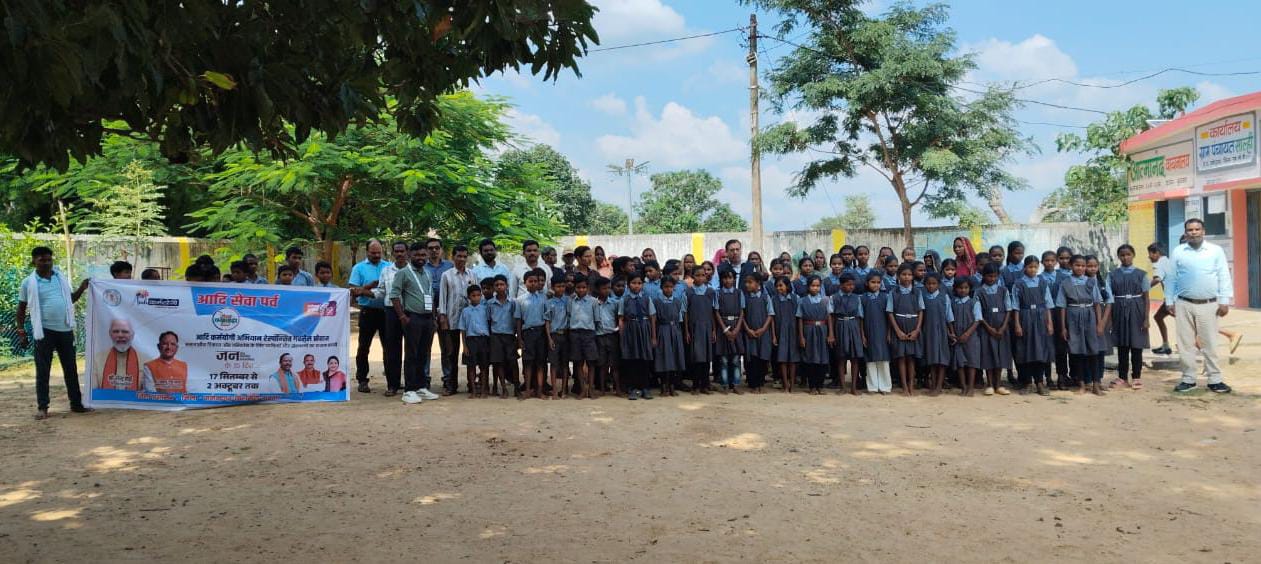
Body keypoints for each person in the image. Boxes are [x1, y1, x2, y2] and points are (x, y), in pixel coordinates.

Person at [16, 247, 92, 419]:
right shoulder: (28, 283)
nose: (46, 263)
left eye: (49, 259)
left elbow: (70, 299)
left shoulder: (60, 278)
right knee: (43, 371)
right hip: (44, 332)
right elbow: (21, 309)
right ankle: (42, 407)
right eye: (42, 260)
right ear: (34, 261)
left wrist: (82, 288)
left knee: (71, 369)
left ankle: (76, 404)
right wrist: (21, 331)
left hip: (65, 330)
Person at [1165, 218, 1234, 393]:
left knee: (1210, 343)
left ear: (1203, 231)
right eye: (1190, 230)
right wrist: (1169, 301)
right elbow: (1171, 277)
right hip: (1183, 304)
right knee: (1185, 344)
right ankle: (1188, 379)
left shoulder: (1215, 251)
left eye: (1197, 229)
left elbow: (1223, 275)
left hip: (1209, 304)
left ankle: (1215, 380)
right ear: (1185, 233)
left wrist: (1224, 301)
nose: (1193, 232)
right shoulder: (1179, 251)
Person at [390, 242, 440, 405]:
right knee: (412, 354)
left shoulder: (427, 273)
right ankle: (409, 390)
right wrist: (402, 317)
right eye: (417, 255)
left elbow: (430, 296)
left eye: (423, 255)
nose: (420, 258)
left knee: (423, 354)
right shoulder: (403, 273)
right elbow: (394, 295)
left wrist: (433, 318)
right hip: (413, 318)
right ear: (410, 255)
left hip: (427, 319)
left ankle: (421, 387)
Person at [1057, 255, 1107, 395]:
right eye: (1077, 265)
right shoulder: (1065, 283)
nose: (1080, 268)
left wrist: (1099, 323)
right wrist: (1063, 327)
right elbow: (1062, 306)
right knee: (1077, 352)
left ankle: (1096, 384)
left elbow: (1097, 304)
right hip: (1072, 318)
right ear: (1071, 266)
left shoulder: (1091, 282)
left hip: (1089, 317)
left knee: (1093, 351)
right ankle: (1081, 385)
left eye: (1083, 266)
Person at [1108, 244, 1150, 390]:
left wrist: (1146, 318)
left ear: (1133, 255)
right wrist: (1110, 319)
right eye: (1122, 255)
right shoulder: (1112, 275)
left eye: (1128, 254)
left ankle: (1137, 377)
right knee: (1122, 345)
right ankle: (1122, 377)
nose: (1125, 257)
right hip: (1119, 310)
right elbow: (1109, 297)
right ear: (1118, 257)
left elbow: (1146, 298)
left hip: (1137, 310)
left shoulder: (1142, 274)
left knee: (1137, 344)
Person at [438, 244, 478, 395]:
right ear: (453, 257)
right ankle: (451, 385)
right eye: (459, 256)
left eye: (464, 256)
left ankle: (471, 384)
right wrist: (443, 317)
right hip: (452, 319)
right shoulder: (446, 275)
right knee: (451, 353)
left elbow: (476, 295)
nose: (462, 259)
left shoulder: (472, 275)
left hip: (470, 321)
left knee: (471, 352)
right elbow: (443, 297)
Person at [1012, 256, 1054, 396]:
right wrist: (1017, 324)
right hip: (1025, 318)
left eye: (1035, 267)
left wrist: (1050, 323)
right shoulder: (1018, 284)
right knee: (1026, 351)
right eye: (1030, 267)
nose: (1033, 270)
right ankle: (1028, 383)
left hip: (1041, 318)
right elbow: (1015, 306)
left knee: (1040, 351)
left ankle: (1039, 382)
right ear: (1025, 267)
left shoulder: (1043, 282)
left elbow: (1048, 304)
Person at [348, 239, 386, 393]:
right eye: (373, 253)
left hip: (386, 312)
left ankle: (393, 379)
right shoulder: (358, 268)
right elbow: (353, 291)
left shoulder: (389, 267)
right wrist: (369, 287)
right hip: (367, 312)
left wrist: (363, 291)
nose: (376, 255)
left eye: (379, 253)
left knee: (390, 347)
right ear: (366, 252)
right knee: (364, 347)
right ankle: (362, 380)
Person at [374, 241, 410, 396]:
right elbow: (381, 291)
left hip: (410, 312)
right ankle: (392, 385)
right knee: (392, 350)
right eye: (397, 251)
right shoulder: (386, 270)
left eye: (402, 251)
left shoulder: (413, 270)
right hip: (391, 312)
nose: (399, 254)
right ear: (393, 253)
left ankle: (411, 385)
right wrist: (363, 292)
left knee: (412, 349)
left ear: (407, 252)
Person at [419, 238, 455, 393]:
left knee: (446, 348)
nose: (434, 250)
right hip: (426, 312)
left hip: (445, 312)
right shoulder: (421, 267)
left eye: (436, 248)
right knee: (425, 348)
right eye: (430, 248)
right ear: (426, 250)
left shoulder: (450, 266)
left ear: (441, 249)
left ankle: (448, 379)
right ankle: (424, 380)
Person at [887, 263, 923, 396]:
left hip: (913, 325)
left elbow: (921, 311)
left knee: (911, 358)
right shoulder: (893, 292)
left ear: (913, 276)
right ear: (898, 276)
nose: (907, 277)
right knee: (901, 357)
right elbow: (890, 312)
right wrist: (897, 331)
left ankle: (911, 385)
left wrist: (917, 330)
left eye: (909, 275)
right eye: (904, 274)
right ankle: (904, 386)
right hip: (899, 325)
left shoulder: (917, 292)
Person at [617, 272, 655, 400]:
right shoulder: (624, 299)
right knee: (632, 360)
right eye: (633, 283)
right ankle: (632, 388)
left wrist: (653, 336)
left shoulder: (647, 299)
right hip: (630, 330)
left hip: (644, 329)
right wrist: (622, 336)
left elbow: (652, 317)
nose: (636, 286)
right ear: (628, 285)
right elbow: (621, 319)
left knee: (644, 360)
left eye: (639, 283)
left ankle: (645, 388)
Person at [977, 263, 1013, 396]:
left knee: (1001, 355)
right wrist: (989, 328)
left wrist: (1003, 327)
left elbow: (1008, 309)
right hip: (987, 329)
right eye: (989, 276)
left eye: (994, 276)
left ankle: (998, 385)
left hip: (1002, 329)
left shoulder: (1003, 290)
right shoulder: (979, 292)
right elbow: (978, 313)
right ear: (983, 276)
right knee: (989, 355)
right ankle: (990, 384)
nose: (992, 279)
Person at [515, 269, 549, 398]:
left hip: (540, 333)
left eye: (536, 281)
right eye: (531, 281)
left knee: (540, 363)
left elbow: (547, 319)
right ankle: (528, 390)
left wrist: (547, 337)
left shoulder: (543, 298)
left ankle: (539, 390)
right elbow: (518, 320)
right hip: (527, 333)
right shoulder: (520, 300)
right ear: (525, 283)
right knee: (528, 363)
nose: (534, 283)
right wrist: (519, 338)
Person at [796, 274, 831, 395]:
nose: (815, 288)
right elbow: (800, 319)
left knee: (822, 358)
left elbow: (829, 317)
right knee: (810, 358)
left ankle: (820, 386)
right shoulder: (802, 301)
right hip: (808, 330)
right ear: (808, 287)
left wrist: (831, 334)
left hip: (822, 330)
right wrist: (801, 336)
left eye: (817, 286)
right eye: (813, 285)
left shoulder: (825, 300)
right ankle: (812, 386)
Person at [652, 276, 687, 397]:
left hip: (675, 331)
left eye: (671, 287)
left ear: (674, 288)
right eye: (666, 287)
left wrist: (679, 333)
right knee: (664, 358)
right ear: (661, 287)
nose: (668, 289)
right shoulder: (656, 302)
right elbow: (654, 320)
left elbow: (680, 319)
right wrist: (655, 336)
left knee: (675, 358)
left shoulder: (677, 301)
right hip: (662, 331)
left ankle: (672, 385)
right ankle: (663, 386)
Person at [830, 274, 864, 395]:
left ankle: (853, 387)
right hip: (840, 326)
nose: (851, 287)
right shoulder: (834, 298)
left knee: (855, 358)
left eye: (853, 285)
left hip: (854, 326)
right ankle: (843, 387)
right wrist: (831, 334)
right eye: (848, 284)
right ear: (841, 285)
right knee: (841, 358)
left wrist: (862, 334)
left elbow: (860, 316)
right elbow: (831, 316)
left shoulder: (857, 298)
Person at [920, 273, 953, 396]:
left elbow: (949, 316)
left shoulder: (944, 297)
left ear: (939, 284)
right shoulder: (923, 297)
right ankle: (933, 384)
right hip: (928, 331)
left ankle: (939, 386)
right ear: (924, 285)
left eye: (934, 284)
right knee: (931, 359)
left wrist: (951, 332)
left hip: (941, 331)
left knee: (941, 359)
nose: (931, 286)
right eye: (928, 284)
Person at [713, 269, 745, 394]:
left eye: (730, 278)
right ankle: (725, 384)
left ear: (734, 279)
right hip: (723, 326)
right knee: (724, 359)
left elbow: (742, 311)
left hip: (736, 325)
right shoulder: (718, 293)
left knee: (736, 359)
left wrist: (737, 329)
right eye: (725, 278)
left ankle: (736, 384)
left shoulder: (739, 293)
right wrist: (724, 330)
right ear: (721, 280)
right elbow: (716, 312)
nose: (727, 280)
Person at [949, 276, 982, 396]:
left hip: (971, 337)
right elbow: (949, 319)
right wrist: (952, 333)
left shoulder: (974, 302)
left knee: (972, 362)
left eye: (966, 288)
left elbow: (977, 320)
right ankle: (963, 386)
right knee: (960, 362)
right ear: (955, 289)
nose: (963, 290)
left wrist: (967, 334)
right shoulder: (952, 302)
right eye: (960, 288)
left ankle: (971, 387)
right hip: (957, 337)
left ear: (970, 288)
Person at [457, 284, 492, 398]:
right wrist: (464, 346)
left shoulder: (485, 309)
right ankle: (473, 390)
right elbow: (463, 329)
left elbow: (489, 323)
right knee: (471, 366)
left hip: (483, 340)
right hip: (471, 341)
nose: (476, 298)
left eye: (478, 295)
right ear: (469, 297)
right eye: (473, 296)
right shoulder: (465, 311)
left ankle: (483, 390)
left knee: (484, 366)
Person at [567, 277, 600, 399]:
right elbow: (569, 316)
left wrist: (592, 333)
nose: (581, 290)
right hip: (575, 333)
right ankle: (582, 389)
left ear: (588, 288)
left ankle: (591, 389)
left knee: (591, 362)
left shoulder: (593, 301)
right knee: (578, 362)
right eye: (578, 287)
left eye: (584, 287)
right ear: (574, 288)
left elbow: (596, 319)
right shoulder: (571, 301)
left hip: (589, 333)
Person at [741, 273, 774, 394]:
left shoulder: (765, 297)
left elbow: (770, 314)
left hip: (763, 333)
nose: (747, 285)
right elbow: (742, 316)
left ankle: (760, 383)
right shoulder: (745, 298)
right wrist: (747, 329)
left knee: (762, 358)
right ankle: (753, 384)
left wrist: (763, 329)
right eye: (746, 282)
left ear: (758, 283)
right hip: (749, 333)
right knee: (751, 358)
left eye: (750, 282)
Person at [859, 272, 891, 394]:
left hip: (883, 331)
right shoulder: (862, 298)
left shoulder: (886, 297)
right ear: (867, 283)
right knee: (870, 359)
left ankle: (885, 386)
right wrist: (862, 335)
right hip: (869, 331)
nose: (876, 285)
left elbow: (889, 317)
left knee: (884, 359)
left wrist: (889, 333)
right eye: (873, 282)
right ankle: (872, 387)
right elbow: (861, 318)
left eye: (878, 282)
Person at [94, 318, 148, 390]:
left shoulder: (146, 361)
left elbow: (149, 393)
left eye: (125, 332)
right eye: (116, 331)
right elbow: (92, 391)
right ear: (110, 334)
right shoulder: (97, 360)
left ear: (132, 335)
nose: (120, 335)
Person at [487, 275, 518, 397]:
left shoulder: (513, 302)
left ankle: (517, 387)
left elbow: (516, 319)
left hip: (509, 335)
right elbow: (488, 320)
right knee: (498, 362)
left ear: (507, 286)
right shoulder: (490, 304)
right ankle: (504, 388)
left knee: (513, 361)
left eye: (502, 284)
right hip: (496, 336)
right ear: (494, 287)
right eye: (497, 285)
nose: (499, 287)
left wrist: (516, 335)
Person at [544, 275, 571, 400]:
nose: (561, 289)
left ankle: (564, 390)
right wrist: (549, 338)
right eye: (558, 286)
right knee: (554, 364)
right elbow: (547, 322)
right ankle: (554, 390)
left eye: (563, 286)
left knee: (565, 364)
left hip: (566, 334)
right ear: (553, 287)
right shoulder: (549, 303)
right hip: (554, 335)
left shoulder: (568, 301)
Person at [772, 276, 800, 394]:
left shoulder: (795, 298)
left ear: (788, 286)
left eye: (781, 286)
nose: (779, 288)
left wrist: (800, 334)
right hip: (780, 331)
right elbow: (772, 319)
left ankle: (792, 385)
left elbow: (799, 317)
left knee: (793, 359)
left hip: (793, 331)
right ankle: (785, 385)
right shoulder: (774, 299)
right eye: (777, 286)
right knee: (782, 358)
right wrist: (774, 335)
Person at [593, 277, 621, 395]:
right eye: (604, 288)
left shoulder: (614, 303)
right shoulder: (594, 303)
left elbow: (618, 318)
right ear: (597, 290)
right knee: (602, 364)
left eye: (609, 288)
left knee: (615, 365)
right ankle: (602, 389)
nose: (607, 290)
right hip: (599, 336)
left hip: (612, 335)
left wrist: (617, 329)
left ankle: (617, 388)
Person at [1148, 243, 1174, 355]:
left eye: (1150, 254)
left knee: (1186, 322)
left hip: (1172, 300)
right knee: (1158, 317)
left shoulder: (1159, 263)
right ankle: (1165, 345)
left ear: (1157, 253)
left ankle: (1226, 333)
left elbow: (1157, 279)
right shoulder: (1168, 261)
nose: (1149, 257)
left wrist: (1144, 288)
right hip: (1172, 297)